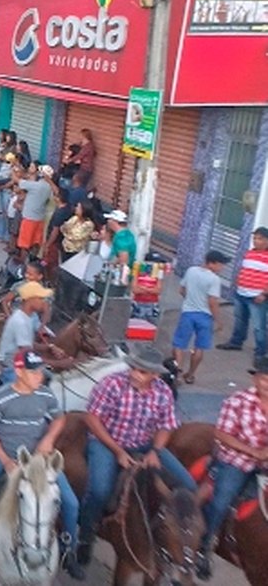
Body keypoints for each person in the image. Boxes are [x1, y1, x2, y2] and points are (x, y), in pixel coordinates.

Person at [0, 350, 83, 579]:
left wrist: (48, 439)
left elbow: (59, 419)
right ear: (19, 372)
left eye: (41, 371)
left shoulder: (46, 394)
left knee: (71, 502)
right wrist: (4, 460)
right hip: (6, 453)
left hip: (39, 459)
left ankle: (68, 549)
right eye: (34, 372)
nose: (40, 376)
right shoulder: (1, 396)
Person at [76, 344, 197, 567]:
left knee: (188, 486)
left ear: (155, 375)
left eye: (141, 371)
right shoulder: (112, 384)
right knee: (100, 490)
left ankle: (180, 538)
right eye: (133, 368)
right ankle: (86, 534)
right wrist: (118, 451)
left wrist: (155, 451)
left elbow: (166, 426)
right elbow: (91, 419)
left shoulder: (163, 392)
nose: (134, 374)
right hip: (107, 441)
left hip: (143, 442)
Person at [196, 363, 268, 579]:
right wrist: (252, 451)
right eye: (264, 378)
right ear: (255, 379)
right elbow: (222, 434)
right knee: (221, 500)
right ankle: (203, 547)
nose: (267, 384)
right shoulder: (237, 401)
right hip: (238, 460)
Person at [172, 250, 228, 384]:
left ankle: (177, 373)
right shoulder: (214, 279)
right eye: (220, 264)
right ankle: (190, 375)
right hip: (205, 317)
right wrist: (218, 320)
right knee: (199, 347)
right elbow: (212, 302)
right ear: (212, 263)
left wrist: (190, 300)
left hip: (188, 313)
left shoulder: (191, 271)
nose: (222, 268)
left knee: (179, 345)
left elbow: (181, 290)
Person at [217, 226, 268, 365]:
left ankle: (261, 353)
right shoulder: (249, 253)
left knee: (259, 327)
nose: (256, 241)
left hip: (257, 297)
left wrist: (264, 294)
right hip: (241, 293)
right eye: (255, 238)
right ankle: (236, 342)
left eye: (260, 239)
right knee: (240, 320)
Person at [0, 281, 64, 383]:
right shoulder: (20, 321)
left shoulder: (27, 318)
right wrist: (59, 363)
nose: (43, 302)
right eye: (40, 298)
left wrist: (49, 347)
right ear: (31, 300)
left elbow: (30, 344)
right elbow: (28, 355)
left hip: (19, 363)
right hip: (10, 367)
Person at [15, 165, 55, 253]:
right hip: (40, 218)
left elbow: (17, 180)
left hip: (29, 218)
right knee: (36, 242)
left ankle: (23, 260)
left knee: (24, 244)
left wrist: (13, 170)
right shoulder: (49, 187)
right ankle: (33, 258)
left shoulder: (35, 185)